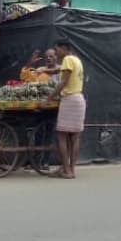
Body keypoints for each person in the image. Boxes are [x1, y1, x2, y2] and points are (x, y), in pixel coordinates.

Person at [46, 38, 85, 179]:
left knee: (61, 136)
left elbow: (63, 82)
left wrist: (48, 98)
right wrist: (47, 70)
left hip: (69, 100)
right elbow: (59, 70)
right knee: (74, 137)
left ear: (64, 48)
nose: (56, 53)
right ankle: (69, 169)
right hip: (79, 98)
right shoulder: (76, 60)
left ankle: (66, 170)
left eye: (57, 50)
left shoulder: (67, 59)